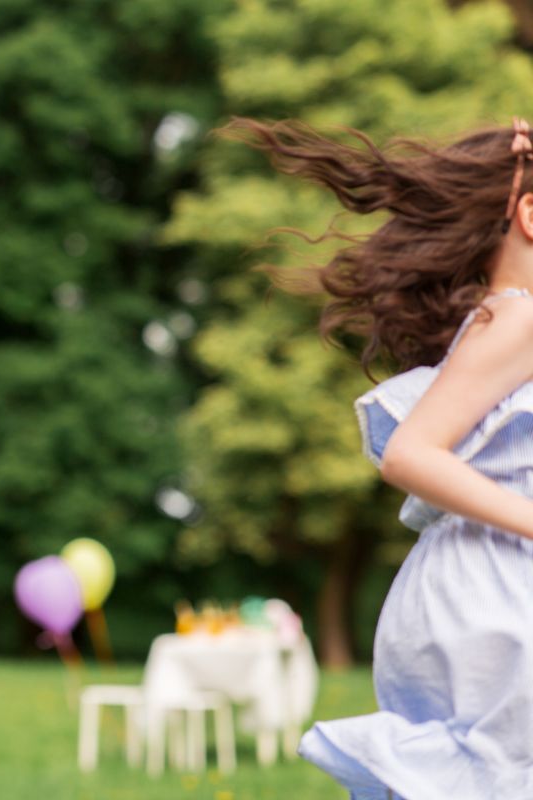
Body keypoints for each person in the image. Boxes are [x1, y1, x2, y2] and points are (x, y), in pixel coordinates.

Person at [227, 117, 533, 799]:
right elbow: (410, 453)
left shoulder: (498, 319)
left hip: (469, 587)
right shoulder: (520, 317)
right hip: (501, 596)